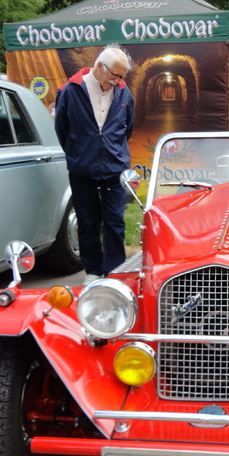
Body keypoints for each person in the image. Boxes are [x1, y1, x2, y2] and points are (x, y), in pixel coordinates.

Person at [55, 44, 134, 285]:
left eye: (122, 76)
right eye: (116, 74)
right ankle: (93, 271)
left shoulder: (123, 93)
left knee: (115, 222)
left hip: (114, 168)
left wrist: (112, 150)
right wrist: (80, 152)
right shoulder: (71, 91)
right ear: (100, 66)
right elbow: (62, 129)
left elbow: (127, 129)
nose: (118, 80)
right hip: (83, 168)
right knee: (87, 222)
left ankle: (114, 272)